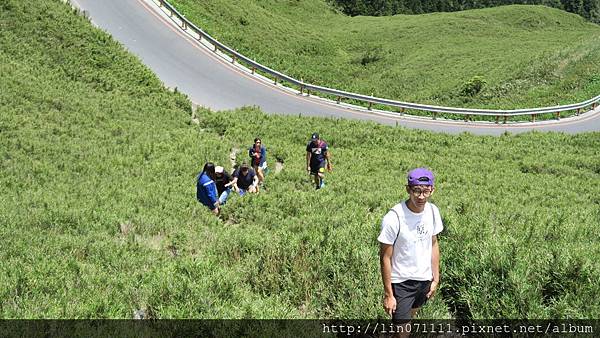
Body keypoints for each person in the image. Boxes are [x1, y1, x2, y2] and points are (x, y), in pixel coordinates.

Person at [378, 168, 443, 331]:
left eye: (426, 191)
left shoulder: (433, 212)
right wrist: (389, 294)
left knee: (409, 320)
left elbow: (433, 243)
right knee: (403, 331)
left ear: (432, 190)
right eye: (416, 191)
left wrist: (436, 278)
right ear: (408, 189)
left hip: (424, 280)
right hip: (401, 283)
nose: (421, 197)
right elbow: (385, 257)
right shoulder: (393, 218)